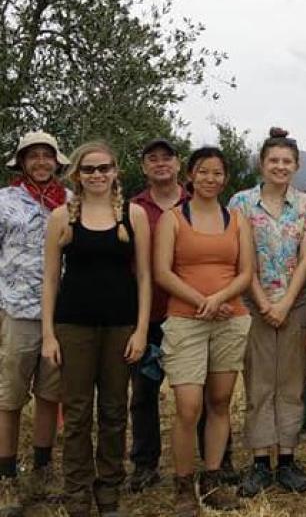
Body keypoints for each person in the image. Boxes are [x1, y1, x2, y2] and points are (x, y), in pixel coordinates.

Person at [40, 141, 151, 517]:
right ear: (78, 175)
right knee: (75, 414)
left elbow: (146, 278)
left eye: (104, 168)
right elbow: (51, 279)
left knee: (115, 412)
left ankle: (108, 493)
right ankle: (76, 497)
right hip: (73, 326)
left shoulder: (132, 215)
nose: (97, 175)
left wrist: (141, 330)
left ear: (116, 170)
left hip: (121, 326)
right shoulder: (62, 217)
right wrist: (49, 334)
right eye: (89, 169)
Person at [154, 147, 253, 515]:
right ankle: (183, 486)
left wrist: (220, 299)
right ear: (190, 176)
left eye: (217, 173)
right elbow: (162, 271)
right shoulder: (172, 218)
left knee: (220, 402)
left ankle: (211, 481)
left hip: (231, 318)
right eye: (203, 172)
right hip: (185, 320)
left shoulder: (237, 219)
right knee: (188, 406)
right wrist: (203, 301)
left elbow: (245, 272)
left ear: (225, 178)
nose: (210, 178)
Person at [228, 128, 306, 497]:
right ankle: (259, 463)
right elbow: (240, 258)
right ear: (261, 164)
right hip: (253, 305)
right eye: (273, 161)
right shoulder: (241, 203)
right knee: (259, 383)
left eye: (287, 161)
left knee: (292, 384)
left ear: (296, 166)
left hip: (295, 304)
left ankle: (286, 459)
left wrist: (284, 304)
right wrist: (265, 304)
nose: (280, 166)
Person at [0, 132, 68, 515]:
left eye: (47, 156)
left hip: (61, 316)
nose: (41, 162)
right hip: (17, 313)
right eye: (33, 156)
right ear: (22, 162)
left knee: (50, 393)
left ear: (57, 161)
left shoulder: (71, 203)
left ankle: (42, 470)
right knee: (8, 398)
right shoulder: (5, 201)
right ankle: (6, 476)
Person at [127, 138, 191, 492]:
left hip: (191, 314)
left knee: (195, 392)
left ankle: (215, 461)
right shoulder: (133, 208)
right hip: (148, 316)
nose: (160, 163)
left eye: (167, 157)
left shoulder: (198, 203)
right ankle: (144, 464)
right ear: (144, 167)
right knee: (144, 394)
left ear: (178, 164)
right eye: (152, 158)